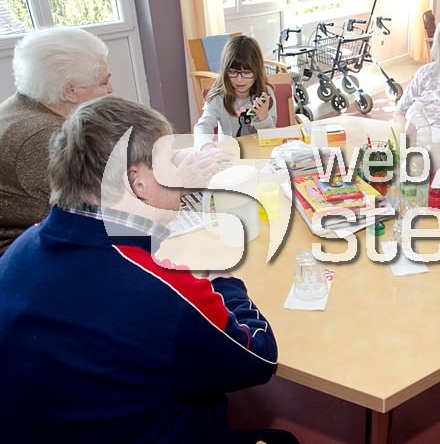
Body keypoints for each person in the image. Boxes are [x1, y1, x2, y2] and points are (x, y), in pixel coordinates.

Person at [0, 96, 297, 444]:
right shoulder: (160, 290)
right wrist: (225, 284)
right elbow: (259, 356)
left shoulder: (19, 250)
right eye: (170, 162)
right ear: (138, 181)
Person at [0, 27, 113, 256]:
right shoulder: (45, 137)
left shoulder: (19, 107)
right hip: (33, 255)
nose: (110, 90)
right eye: (103, 82)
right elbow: (98, 211)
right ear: (70, 91)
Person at [194, 35, 277, 150]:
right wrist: (206, 146)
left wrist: (264, 117)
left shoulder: (265, 94)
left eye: (246, 72)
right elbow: (203, 126)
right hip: (230, 153)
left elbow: (271, 136)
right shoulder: (217, 97)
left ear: (257, 71)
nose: (239, 79)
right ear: (225, 71)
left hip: (260, 152)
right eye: (233, 72)